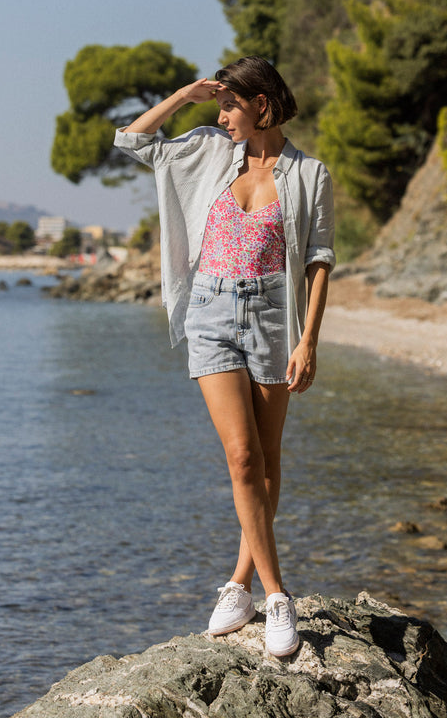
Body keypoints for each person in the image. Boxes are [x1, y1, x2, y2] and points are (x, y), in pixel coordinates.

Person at [114, 56, 335, 657]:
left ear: (261, 104)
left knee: (267, 461)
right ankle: (278, 596)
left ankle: (238, 584)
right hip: (209, 314)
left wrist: (308, 340)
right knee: (241, 458)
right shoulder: (209, 149)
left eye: (229, 105)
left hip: (271, 320)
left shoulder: (309, 174)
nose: (221, 116)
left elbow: (318, 262)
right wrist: (185, 95)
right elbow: (133, 140)